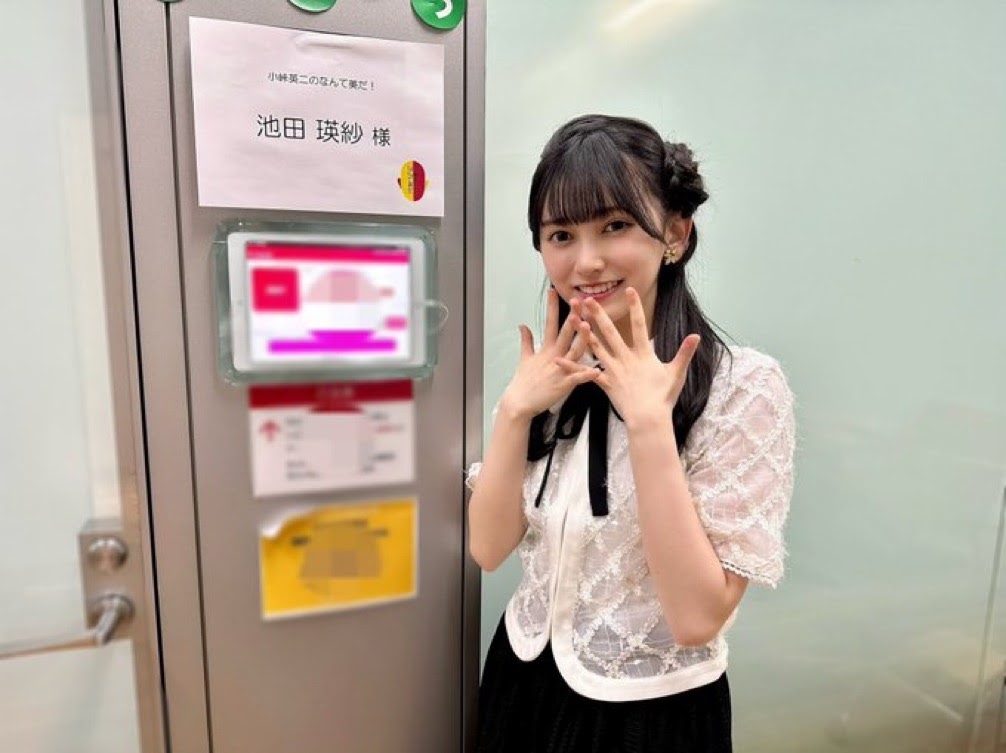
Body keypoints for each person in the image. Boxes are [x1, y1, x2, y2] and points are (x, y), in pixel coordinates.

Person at [466, 113, 796, 753]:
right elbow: (487, 548)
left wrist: (648, 426)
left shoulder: (742, 387)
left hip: (650, 714)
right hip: (521, 683)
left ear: (675, 233)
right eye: (561, 235)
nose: (585, 261)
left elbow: (697, 618)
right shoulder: (554, 373)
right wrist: (514, 411)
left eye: (614, 226)